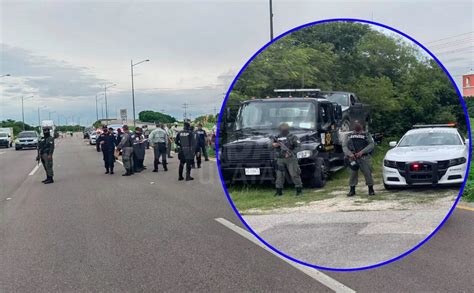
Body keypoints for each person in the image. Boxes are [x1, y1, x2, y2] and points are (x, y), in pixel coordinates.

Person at [342, 121, 375, 196]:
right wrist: (349, 154)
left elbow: (371, 144)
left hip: (364, 157)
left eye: (359, 128)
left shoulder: (366, 134)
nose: (358, 131)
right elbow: (344, 146)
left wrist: (362, 152)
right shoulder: (349, 135)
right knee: (352, 174)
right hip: (352, 157)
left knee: (367, 173)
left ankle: (371, 189)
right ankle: (352, 190)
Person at [272, 123, 303, 196]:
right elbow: (270, 145)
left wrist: (291, 153)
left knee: (294, 174)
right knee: (279, 175)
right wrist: (274, 144)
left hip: (291, 159)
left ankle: (299, 190)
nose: (282, 131)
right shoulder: (277, 137)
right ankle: (279, 191)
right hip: (280, 158)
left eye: (284, 130)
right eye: (281, 129)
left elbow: (299, 147)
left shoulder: (293, 137)